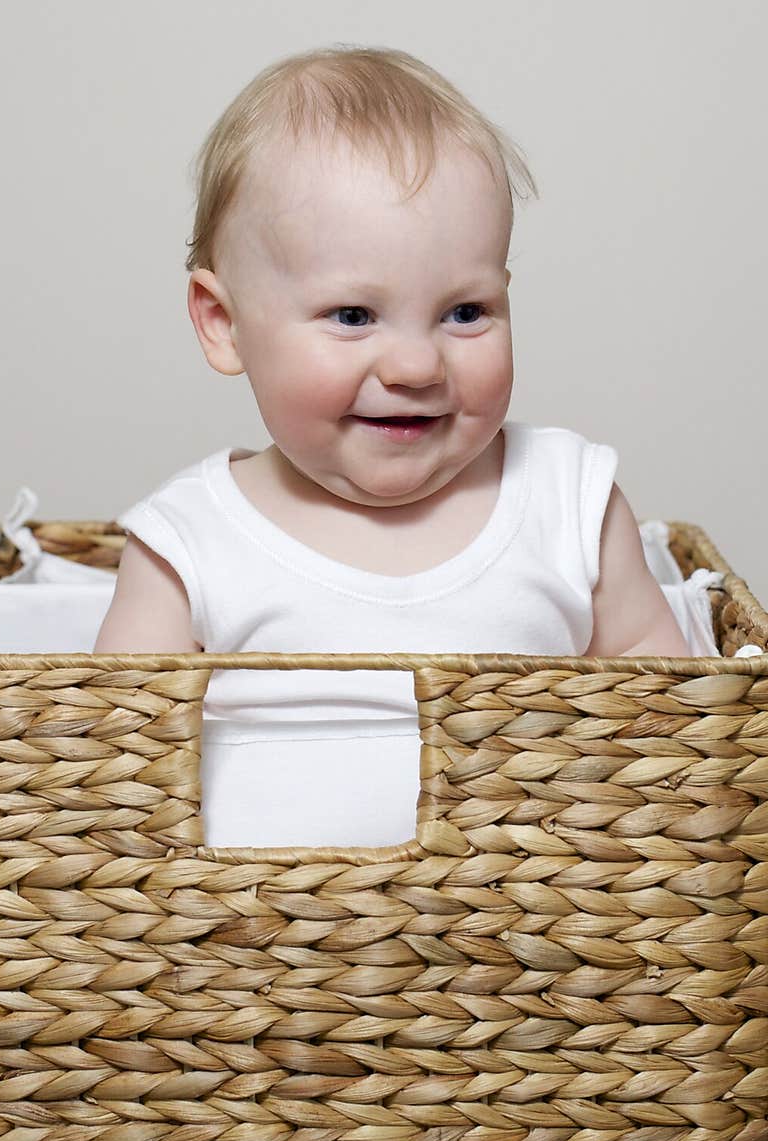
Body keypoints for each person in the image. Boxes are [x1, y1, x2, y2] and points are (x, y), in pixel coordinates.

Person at [95, 45, 692, 849]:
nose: (416, 365)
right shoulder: (189, 543)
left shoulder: (570, 504)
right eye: (352, 315)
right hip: (251, 953)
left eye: (466, 311)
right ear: (223, 323)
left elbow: (679, 725)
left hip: (536, 938)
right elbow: (111, 773)